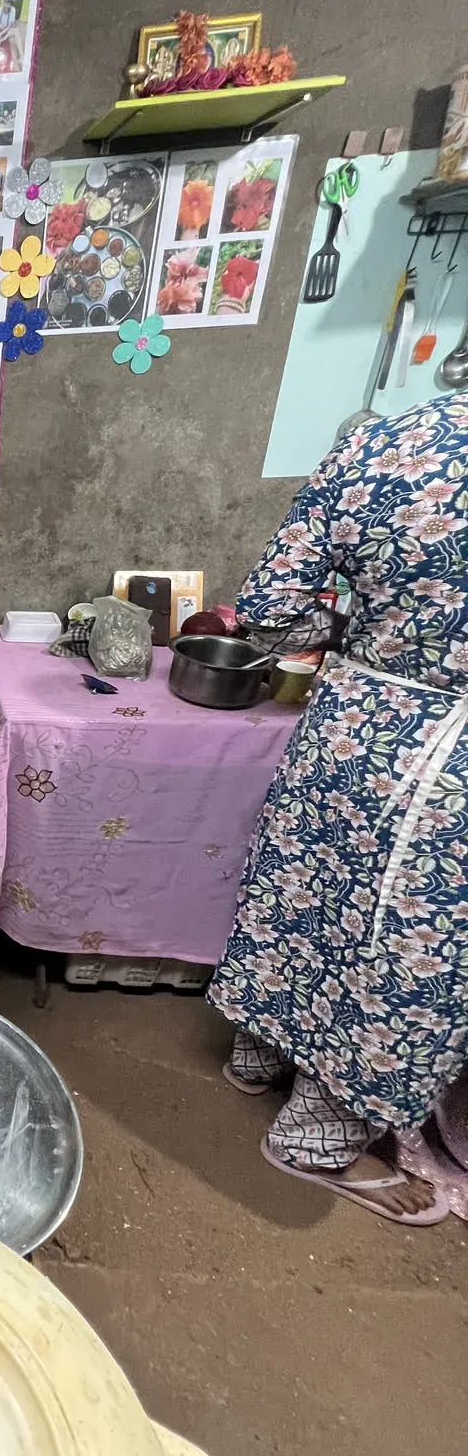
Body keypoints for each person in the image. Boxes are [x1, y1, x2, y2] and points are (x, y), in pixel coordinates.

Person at [211, 395, 468, 1225]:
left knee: (304, 892)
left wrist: (357, 629)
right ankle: (318, 1138)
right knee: (399, 953)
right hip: (447, 756)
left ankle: (256, 1060)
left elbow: (271, 613)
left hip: (351, 719)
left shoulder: (384, 440)